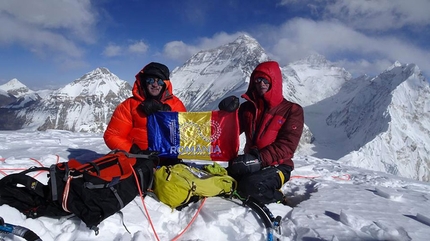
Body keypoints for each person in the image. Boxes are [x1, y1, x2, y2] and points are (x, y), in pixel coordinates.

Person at [219, 60, 304, 204]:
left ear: (274, 82)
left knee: (252, 187)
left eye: (266, 80)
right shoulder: (247, 108)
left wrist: (258, 159)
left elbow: (287, 146)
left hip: (278, 165)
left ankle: (278, 199)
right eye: (258, 79)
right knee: (221, 180)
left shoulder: (292, 110)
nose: (261, 83)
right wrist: (225, 114)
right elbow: (228, 131)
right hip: (249, 163)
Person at [104, 62, 186, 164]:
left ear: (166, 84)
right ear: (143, 82)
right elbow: (112, 136)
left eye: (160, 81)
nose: (155, 84)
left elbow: (186, 135)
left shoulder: (176, 105)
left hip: (168, 160)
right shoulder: (129, 106)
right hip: (137, 161)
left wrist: (167, 115)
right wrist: (136, 152)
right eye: (150, 80)